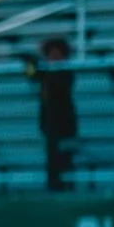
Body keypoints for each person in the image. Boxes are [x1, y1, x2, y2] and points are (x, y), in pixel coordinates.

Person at [34, 37, 78, 191]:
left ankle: (67, 189)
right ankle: (53, 188)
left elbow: (61, 89)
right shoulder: (43, 74)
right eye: (50, 54)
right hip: (50, 126)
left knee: (66, 160)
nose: (53, 58)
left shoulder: (65, 74)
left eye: (56, 54)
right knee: (52, 161)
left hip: (65, 125)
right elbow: (31, 73)